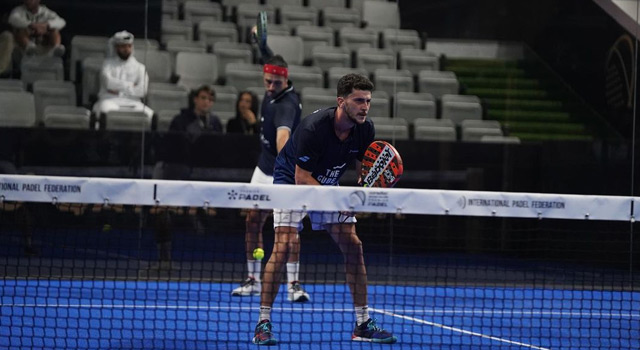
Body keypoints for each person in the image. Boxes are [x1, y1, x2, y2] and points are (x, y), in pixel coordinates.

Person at [252, 74, 397, 345]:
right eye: (358, 101)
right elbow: (302, 180)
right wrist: (339, 201)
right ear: (341, 101)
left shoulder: (365, 129)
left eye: (367, 101)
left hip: (328, 183)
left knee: (354, 246)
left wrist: (359, 194)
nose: (364, 107)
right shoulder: (313, 128)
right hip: (291, 181)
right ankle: (263, 323)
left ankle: (363, 324)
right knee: (282, 248)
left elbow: (362, 166)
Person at [230, 53, 310, 303]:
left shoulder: (286, 105)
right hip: (263, 169)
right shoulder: (272, 84)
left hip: (283, 174)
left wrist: (287, 162)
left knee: (288, 230)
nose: (271, 87)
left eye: (276, 83)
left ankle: (293, 285)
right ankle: (254, 279)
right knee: (253, 220)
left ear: (285, 80)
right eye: (267, 82)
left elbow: (283, 137)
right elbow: (268, 58)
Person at [150, 85, 223, 267]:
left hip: (203, 173)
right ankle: (164, 257)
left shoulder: (215, 123)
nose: (207, 102)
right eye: (204, 98)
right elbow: (175, 146)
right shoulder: (180, 120)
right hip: (176, 170)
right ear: (195, 99)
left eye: (210, 99)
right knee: (164, 212)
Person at [93, 30, 153, 121]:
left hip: (133, 102)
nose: (126, 49)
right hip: (110, 100)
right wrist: (131, 85)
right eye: (123, 46)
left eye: (129, 46)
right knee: (105, 112)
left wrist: (117, 89)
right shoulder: (107, 65)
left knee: (149, 115)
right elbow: (108, 83)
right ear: (116, 47)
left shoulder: (140, 67)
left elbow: (142, 91)